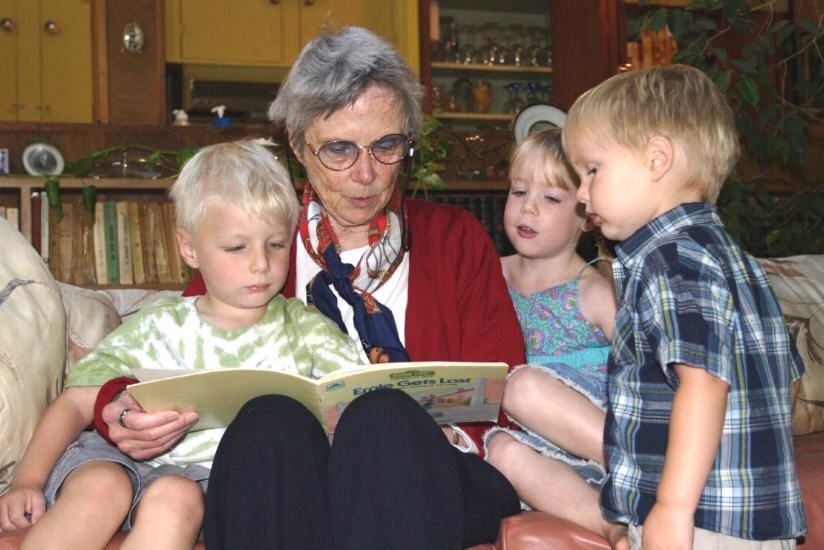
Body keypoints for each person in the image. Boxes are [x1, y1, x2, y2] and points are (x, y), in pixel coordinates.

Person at [92, 27, 525, 550]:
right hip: (294, 480)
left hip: (426, 475)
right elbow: (176, 342)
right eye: (339, 149)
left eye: (387, 145)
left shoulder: (454, 238)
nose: (366, 174)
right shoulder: (258, 244)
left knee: (381, 416)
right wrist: (120, 409)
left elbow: (504, 388)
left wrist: (444, 433)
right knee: (270, 419)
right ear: (298, 145)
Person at [0, 140, 362, 548]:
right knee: (101, 486)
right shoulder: (158, 324)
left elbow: (354, 398)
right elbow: (75, 403)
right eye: (236, 247)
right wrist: (27, 481)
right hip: (119, 462)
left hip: (211, 487)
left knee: (176, 497)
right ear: (189, 248)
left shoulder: (308, 330)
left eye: (275, 244)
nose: (261, 263)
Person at [562, 64, 807, 549]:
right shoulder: (734, 260)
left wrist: (673, 509)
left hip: (700, 522)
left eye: (592, 170)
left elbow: (703, 381)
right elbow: (789, 380)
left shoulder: (671, 260)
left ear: (657, 159)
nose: (581, 194)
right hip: (750, 517)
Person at [484, 128, 625, 546]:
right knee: (499, 450)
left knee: (521, 386)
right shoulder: (489, 273)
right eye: (519, 192)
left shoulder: (593, 291)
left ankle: (645, 468)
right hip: (539, 452)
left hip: (600, 441)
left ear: (587, 216)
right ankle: (611, 526)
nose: (528, 208)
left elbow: (643, 368)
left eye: (550, 198)